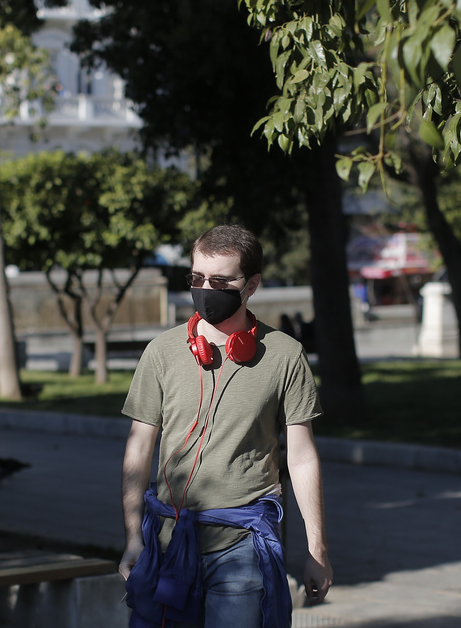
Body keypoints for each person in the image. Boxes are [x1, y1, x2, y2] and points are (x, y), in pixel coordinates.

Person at [120, 225, 333, 628]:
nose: (205, 290)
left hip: (242, 546)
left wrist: (316, 549)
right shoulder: (161, 352)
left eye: (220, 282)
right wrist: (134, 536)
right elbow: (139, 447)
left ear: (251, 285)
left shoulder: (285, 356)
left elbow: (302, 457)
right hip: (168, 543)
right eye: (197, 278)